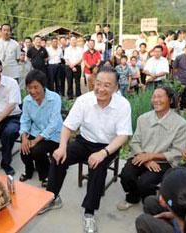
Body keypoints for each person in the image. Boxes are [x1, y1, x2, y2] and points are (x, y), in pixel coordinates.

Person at [39, 66, 132, 233]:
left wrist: (103, 153)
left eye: (107, 85)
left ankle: (89, 212)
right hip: (84, 141)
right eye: (98, 83)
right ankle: (53, 197)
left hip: (108, 145)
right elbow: (68, 126)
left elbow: (123, 136)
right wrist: (62, 147)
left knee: (97, 167)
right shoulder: (84, 100)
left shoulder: (123, 105)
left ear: (116, 88)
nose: (101, 89)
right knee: (58, 158)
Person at [118, 87, 186, 211]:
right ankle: (133, 197)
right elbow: (135, 142)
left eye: (160, 96)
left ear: (170, 100)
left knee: (145, 183)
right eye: (154, 97)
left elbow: (177, 152)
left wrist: (151, 156)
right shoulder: (143, 118)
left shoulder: (181, 124)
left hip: (164, 161)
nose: (156, 100)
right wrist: (145, 158)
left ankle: (149, 203)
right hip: (141, 155)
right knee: (126, 175)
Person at [19, 70, 62, 186]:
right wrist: (24, 138)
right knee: (24, 150)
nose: (32, 91)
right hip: (37, 130)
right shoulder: (27, 100)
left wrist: (35, 141)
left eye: (36, 87)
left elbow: (53, 124)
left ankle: (45, 175)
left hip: (54, 134)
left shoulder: (55, 98)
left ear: (43, 86)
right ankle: (29, 171)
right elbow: (25, 120)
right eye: (29, 87)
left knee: (37, 151)